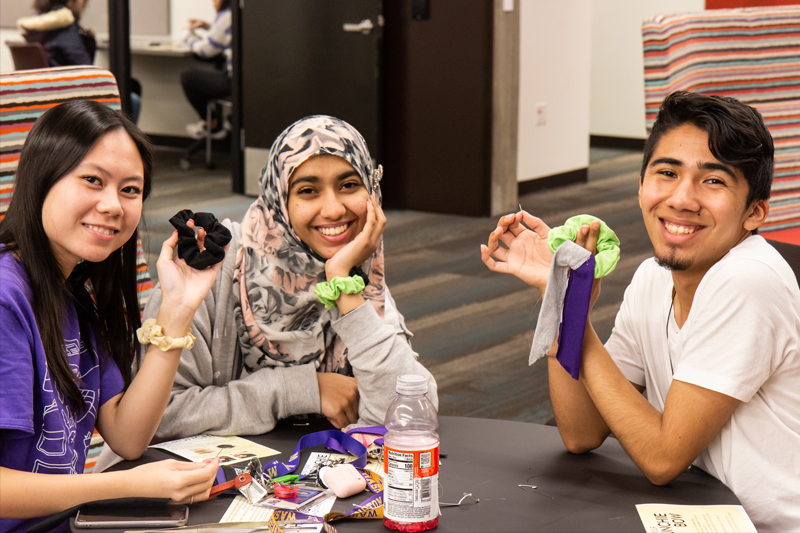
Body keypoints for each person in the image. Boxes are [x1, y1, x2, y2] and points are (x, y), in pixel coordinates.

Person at [481, 91, 800, 531]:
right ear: (641, 187)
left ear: (754, 212)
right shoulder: (654, 277)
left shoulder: (747, 280)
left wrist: (574, 311)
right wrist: (558, 295)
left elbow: (662, 458)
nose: (682, 198)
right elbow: (581, 432)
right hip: (703, 514)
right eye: (666, 173)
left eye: (713, 181)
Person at [0, 100, 225, 532]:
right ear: (41, 178)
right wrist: (116, 486)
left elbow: (127, 435)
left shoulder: (71, 294)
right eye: (92, 180)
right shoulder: (7, 297)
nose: (113, 205)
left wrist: (178, 309)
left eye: (130, 190)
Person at [142, 115, 438, 439]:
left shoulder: (356, 274)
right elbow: (157, 417)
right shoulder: (213, 267)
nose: (334, 209)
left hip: (301, 483)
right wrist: (299, 390)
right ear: (278, 199)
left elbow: (409, 417)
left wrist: (344, 286)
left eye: (349, 185)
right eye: (308, 190)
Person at [17, 0, 143, 123]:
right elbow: (87, 69)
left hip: (49, 93)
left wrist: (85, 38)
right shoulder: (65, 29)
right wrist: (89, 42)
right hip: (69, 95)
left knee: (132, 84)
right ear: (70, 2)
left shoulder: (38, 29)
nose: (85, 3)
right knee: (132, 100)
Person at [180, 0, 232, 140]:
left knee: (188, 77)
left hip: (232, 81)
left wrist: (186, 35)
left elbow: (205, 51)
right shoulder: (237, 13)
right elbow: (224, 35)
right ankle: (225, 121)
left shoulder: (227, 16)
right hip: (245, 78)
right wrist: (207, 26)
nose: (213, 2)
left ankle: (213, 124)